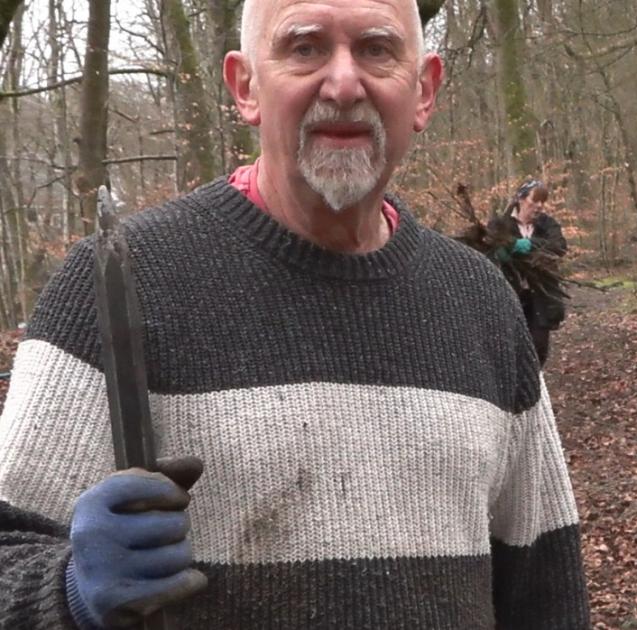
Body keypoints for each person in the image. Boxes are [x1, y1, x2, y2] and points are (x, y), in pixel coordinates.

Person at [0, 1, 590, 628]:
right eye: (305, 48)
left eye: (376, 50)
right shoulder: (115, 282)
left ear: (424, 91)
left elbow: (545, 582)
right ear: (246, 87)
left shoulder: (480, 300)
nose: (342, 84)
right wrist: (65, 593)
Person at [489, 180, 568, 367]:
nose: (540, 206)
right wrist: (499, 254)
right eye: (535, 200)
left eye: (543, 201)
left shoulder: (547, 225)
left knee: (538, 348)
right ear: (521, 199)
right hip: (509, 294)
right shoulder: (501, 224)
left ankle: (534, 386)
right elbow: (486, 248)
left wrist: (530, 244)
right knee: (509, 346)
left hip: (540, 295)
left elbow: (559, 246)